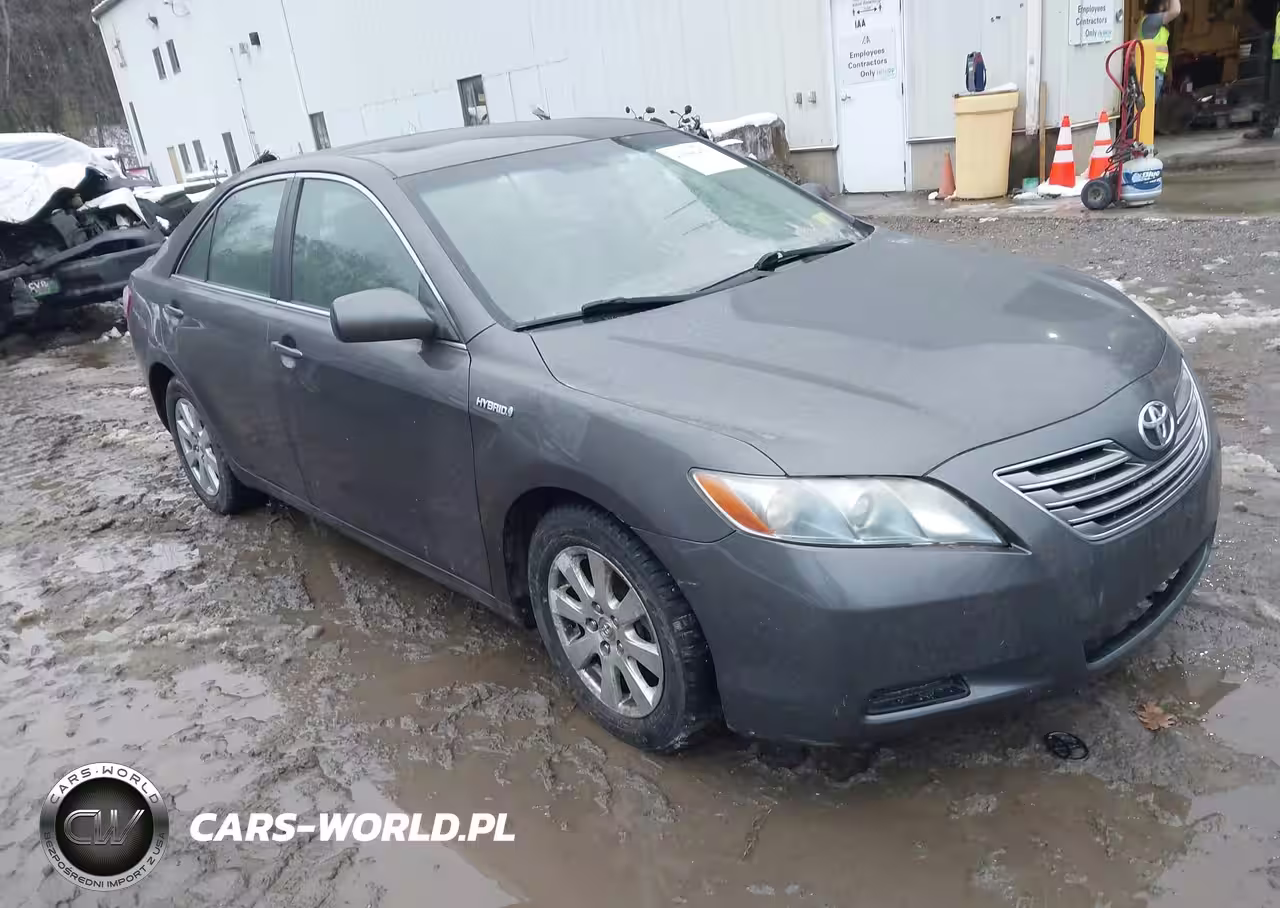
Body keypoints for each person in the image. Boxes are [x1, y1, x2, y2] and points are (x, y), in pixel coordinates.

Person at [1245, 3, 1280, 139]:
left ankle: (1266, 128)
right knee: (1271, 91)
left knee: (1274, 91)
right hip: (1276, 48)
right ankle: (1266, 127)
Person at [1140, 0, 1182, 102]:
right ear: (1160, 5)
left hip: (1156, 73)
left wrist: (1167, 70)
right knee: (1148, 110)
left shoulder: (1155, 24)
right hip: (1151, 74)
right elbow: (1175, 10)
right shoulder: (1151, 21)